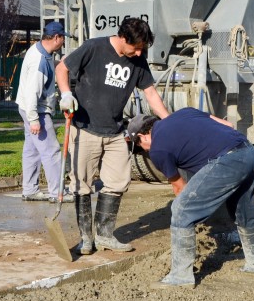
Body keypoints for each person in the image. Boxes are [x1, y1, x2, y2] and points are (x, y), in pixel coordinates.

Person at [55, 17, 169, 255]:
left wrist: (168, 120)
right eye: (136, 47)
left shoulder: (138, 60)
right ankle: (86, 238)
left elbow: (150, 93)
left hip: (116, 131)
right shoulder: (94, 47)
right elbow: (61, 68)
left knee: (118, 182)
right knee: (81, 185)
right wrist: (66, 94)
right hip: (85, 128)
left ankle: (105, 235)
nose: (139, 53)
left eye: (142, 49)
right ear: (123, 38)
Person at [127, 108, 254, 288]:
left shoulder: (158, 149)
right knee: (243, 212)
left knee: (181, 210)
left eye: (139, 146)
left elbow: (180, 189)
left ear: (143, 136)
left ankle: (180, 276)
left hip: (228, 161)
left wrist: (192, 216)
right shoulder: (185, 113)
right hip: (250, 153)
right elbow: (228, 125)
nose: (143, 150)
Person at [15, 21, 73, 203]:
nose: (63, 41)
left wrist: (59, 63)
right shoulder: (39, 61)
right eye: (62, 38)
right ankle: (57, 193)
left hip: (26, 107)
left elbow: (48, 65)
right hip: (35, 110)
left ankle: (30, 189)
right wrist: (34, 120)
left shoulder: (40, 51)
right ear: (56, 38)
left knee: (32, 150)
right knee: (51, 150)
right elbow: (33, 92)